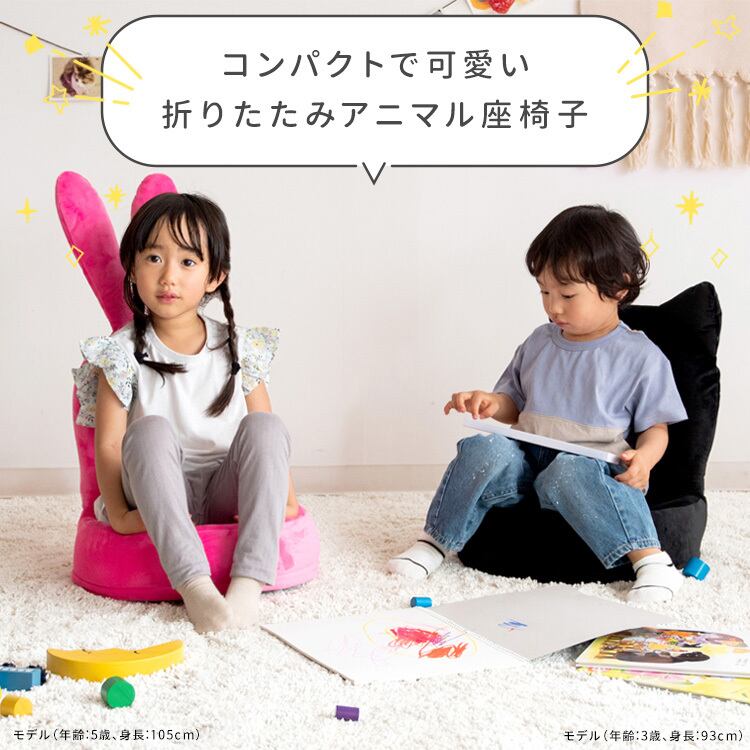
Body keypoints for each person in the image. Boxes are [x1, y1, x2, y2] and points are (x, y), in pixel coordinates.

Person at [388, 205, 688, 603]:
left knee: (569, 471)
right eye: (545, 292)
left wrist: (644, 459)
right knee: (482, 448)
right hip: (528, 464)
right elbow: (513, 404)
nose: (553, 307)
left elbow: (656, 428)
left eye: (567, 295)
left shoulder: (640, 356)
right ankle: (435, 541)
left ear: (618, 288)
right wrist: (489, 403)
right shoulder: (539, 343)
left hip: (590, 470)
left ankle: (650, 561)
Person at [73, 192, 297, 632]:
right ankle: (195, 587)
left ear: (215, 276)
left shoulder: (239, 346)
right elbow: (111, 444)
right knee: (149, 431)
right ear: (132, 268)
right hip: (156, 488)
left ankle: (248, 584)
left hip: (222, 485)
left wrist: (285, 502)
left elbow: (267, 437)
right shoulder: (119, 352)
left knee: (265, 425)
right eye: (154, 258)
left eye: (188, 262)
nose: (168, 276)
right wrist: (118, 513)